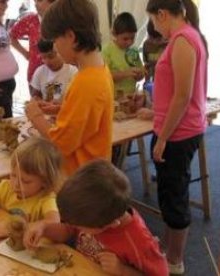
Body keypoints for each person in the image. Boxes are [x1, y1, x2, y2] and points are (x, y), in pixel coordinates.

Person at [136, 0, 208, 274]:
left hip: (178, 133)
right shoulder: (186, 37)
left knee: (174, 197)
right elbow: (174, 95)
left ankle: (174, 261)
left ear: (162, 14)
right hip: (177, 128)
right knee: (169, 194)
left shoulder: (182, 40)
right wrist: (154, 113)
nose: (154, 27)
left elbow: (183, 96)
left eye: (154, 21)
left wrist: (164, 136)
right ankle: (167, 249)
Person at [24, 159, 169, 276]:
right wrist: (44, 227)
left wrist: (123, 270)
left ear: (111, 224)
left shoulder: (140, 243)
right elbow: (67, 231)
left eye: (79, 226)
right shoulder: (91, 214)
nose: (75, 227)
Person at [24, 0, 113, 175]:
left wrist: (36, 117)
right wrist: (61, 109)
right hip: (93, 174)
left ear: (71, 37)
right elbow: (88, 117)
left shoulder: (86, 82)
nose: (55, 46)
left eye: (55, 40)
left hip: (81, 180)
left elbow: (60, 144)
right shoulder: (98, 69)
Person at [0, 137, 62, 240]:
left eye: (25, 181)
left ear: (45, 182)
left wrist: (13, 229)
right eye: (13, 175)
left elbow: (54, 222)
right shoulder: (6, 188)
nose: (16, 184)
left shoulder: (46, 199)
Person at [9, 0, 56, 88]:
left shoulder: (62, 20)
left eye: (40, 1)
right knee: (36, 100)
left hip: (59, 74)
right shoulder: (30, 20)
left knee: (56, 100)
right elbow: (11, 36)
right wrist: (25, 54)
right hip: (35, 74)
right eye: (35, 1)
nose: (35, 4)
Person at [102, 12, 144, 99]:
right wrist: (126, 73)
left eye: (132, 38)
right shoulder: (107, 50)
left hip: (132, 97)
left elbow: (141, 74)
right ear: (114, 34)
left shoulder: (134, 51)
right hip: (113, 99)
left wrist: (140, 75)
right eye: (125, 39)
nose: (129, 42)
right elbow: (104, 76)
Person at [30, 38, 77, 115]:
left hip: (66, 115)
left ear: (60, 51)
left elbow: (76, 103)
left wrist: (59, 108)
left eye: (51, 56)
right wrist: (37, 101)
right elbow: (35, 96)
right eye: (43, 58)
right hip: (46, 116)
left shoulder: (72, 72)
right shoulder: (40, 71)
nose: (47, 61)